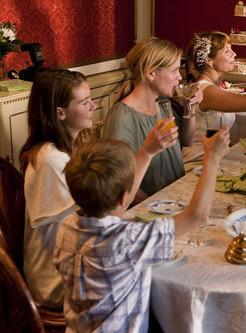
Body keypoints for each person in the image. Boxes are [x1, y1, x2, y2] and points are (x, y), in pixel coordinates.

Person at [19, 69, 177, 308]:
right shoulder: (51, 160)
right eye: (84, 102)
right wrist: (146, 152)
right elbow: (110, 212)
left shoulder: (70, 146)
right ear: (60, 113)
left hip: (77, 259)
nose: (94, 106)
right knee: (148, 281)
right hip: (57, 280)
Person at [53, 133, 229, 332]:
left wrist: (147, 152)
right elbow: (196, 216)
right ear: (123, 198)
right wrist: (212, 158)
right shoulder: (128, 240)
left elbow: (120, 200)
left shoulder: (65, 228)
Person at [104, 37, 202, 202]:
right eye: (174, 71)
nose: (179, 77)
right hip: (147, 210)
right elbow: (116, 178)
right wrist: (153, 204)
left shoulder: (162, 105)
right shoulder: (122, 116)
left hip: (174, 200)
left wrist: (189, 106)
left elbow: (188, 140)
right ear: (151, 74)